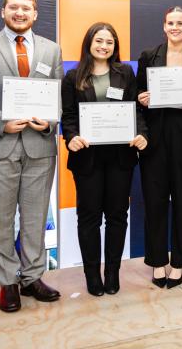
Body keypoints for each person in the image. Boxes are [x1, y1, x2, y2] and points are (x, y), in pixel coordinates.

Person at [0, 0, 64, 313]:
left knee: (35, 218)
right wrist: (0, 121)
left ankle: (32, 277)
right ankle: (7, 283)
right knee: (0, 222)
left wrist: (50, 122)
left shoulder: (51, 49)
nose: (19, 13)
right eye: (13, 7)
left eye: (25, 9)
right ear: (3, 12)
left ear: (35, 14)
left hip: (40, 147)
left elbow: (56, 95)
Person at [61, 22, 148, 296]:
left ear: (115, 46)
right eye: (99, 41)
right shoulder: (73, 76)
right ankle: (91, 274)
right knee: (88, 218)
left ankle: (112, 272)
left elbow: (136, 111)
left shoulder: (126, 73)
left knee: (117, 216)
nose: (103, 46)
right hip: (87, 158)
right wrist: (71, 137)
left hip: (120, 157)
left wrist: (141, 133)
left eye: (109, 42)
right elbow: (69, 116)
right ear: (89, 43)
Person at [136, 6, 182, 289]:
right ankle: (156, 260)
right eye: (170, 23)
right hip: (154, 135)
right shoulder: (148, 57)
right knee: (154, 201)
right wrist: (142, 98)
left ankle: (178, 262)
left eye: (180, 23)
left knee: (181, 201)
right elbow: (136, 97)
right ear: (164, 26)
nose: (175, 27)